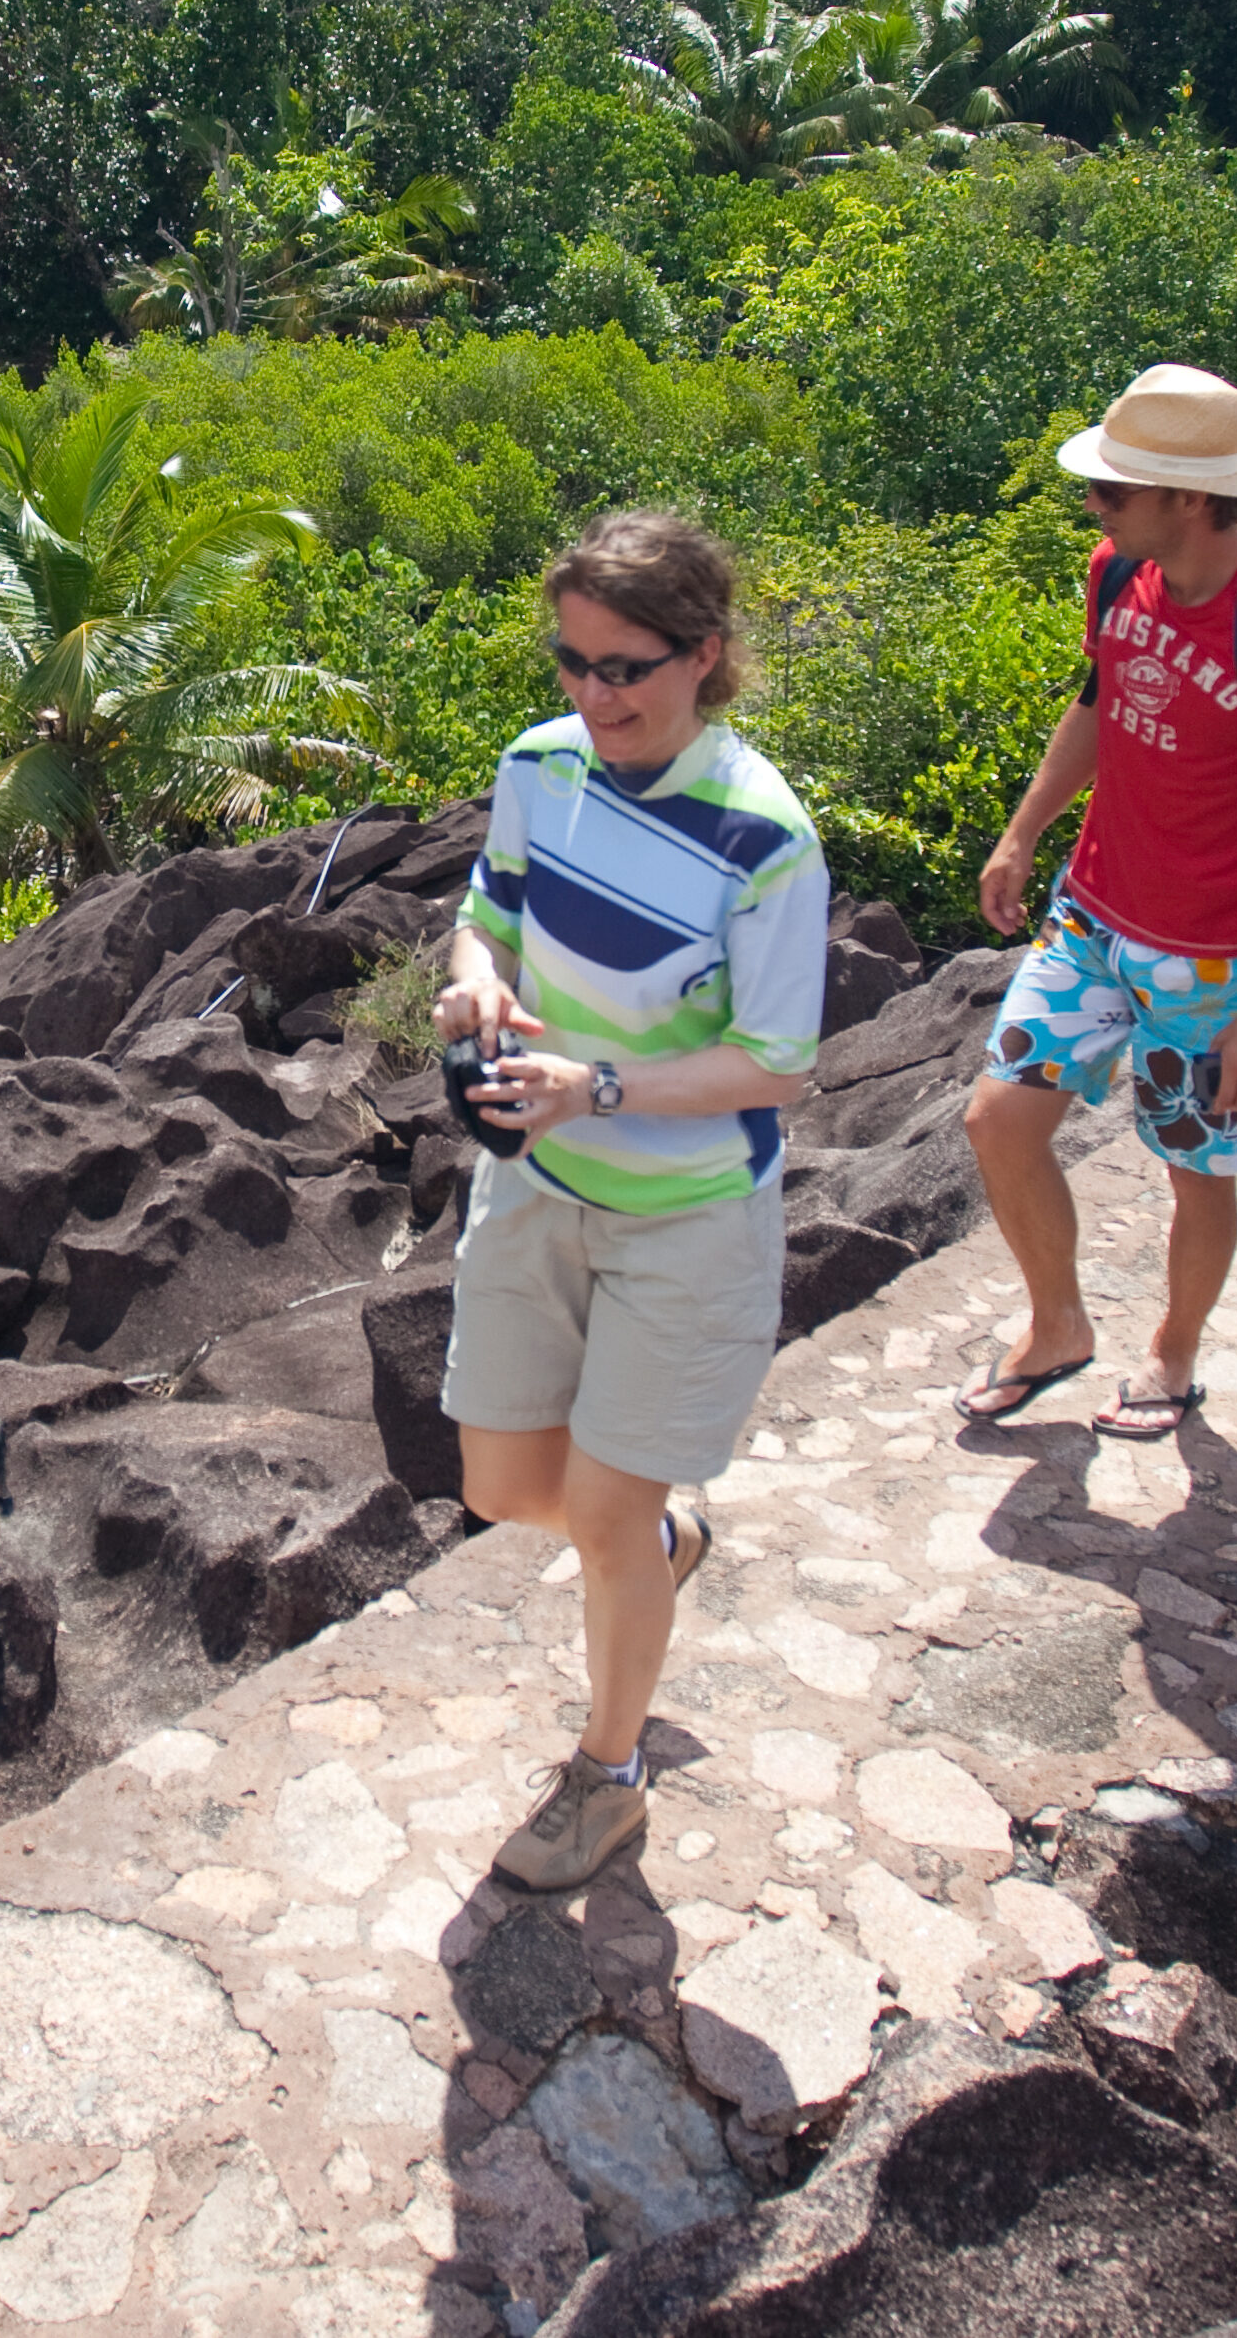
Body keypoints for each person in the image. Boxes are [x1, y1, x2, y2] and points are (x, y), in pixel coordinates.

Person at [434, 511, 830, 1893]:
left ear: (702, 657)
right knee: (500, 1481)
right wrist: (475, 975)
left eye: (626, 669)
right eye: (574, 663)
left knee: (595, 1513)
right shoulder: (540, 768)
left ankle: (606, 1774)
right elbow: (486, 906)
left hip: (683, 1216)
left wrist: (588, 1084)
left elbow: (776, 1065)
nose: (594, 696)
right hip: (536, 1185)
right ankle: (655, 1542)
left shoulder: (763, 836)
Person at [953, 365, 1237, 1442]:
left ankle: (1174, 1355)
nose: (1093, 506)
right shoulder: (1116, 575)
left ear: (1190, 498)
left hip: (1219, 959)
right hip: (1095, 916)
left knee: (1195, 1170)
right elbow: (1096, 703)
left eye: (1112, 490)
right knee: (998, 1120)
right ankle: (1058, 1327)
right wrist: (1022, 829)